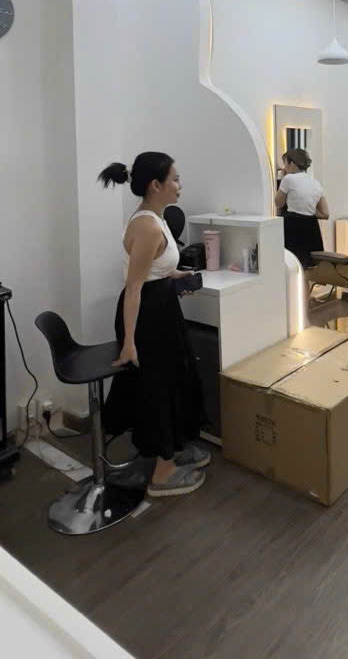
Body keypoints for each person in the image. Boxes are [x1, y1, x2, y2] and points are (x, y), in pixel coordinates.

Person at [100, 152, 208, 498]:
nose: (179, 185)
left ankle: (172, 450)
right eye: (174, 178)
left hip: (161, 307)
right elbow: (134, 287)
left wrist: (174, 275)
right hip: (147, 315)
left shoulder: (157, 218)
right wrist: (129, 342)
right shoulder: (147, 226)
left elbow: (152, 269)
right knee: (158, 387)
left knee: (174, 380)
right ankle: (162, 472)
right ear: (156, 185)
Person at [275, 148, 329, 268]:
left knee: (291, 265)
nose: (284, 168)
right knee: (308, 267)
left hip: (292, 226)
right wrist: (309, 208)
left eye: (285, 163)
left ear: (292, 163)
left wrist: (282, 180)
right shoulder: (316, 183)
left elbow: (278, 203)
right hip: (312, 228)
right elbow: (325, 214)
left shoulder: (288, 179)